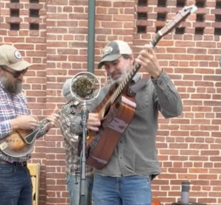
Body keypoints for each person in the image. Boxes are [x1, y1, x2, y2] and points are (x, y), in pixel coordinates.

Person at [70, 40, 183, 205]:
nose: (111, 70)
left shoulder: (150, 87)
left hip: (136, 176)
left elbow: (174, 110)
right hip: (104, 176)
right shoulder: (101, 95)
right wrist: (84, 121)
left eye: (115, 63)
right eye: (107, 66)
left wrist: (158, 74)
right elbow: (73, 123)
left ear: (131, 58)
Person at [0, 44, 59, 205]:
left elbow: (23, 136)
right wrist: (14, 123)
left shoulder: (19, 95)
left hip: (23, 169)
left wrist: (44, 127)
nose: (21, 77)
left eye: (23, 72)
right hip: (0, 170)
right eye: (17, 73)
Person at [58, 78, 94, 205]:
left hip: (96, 171)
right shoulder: (65, 114)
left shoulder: (91, 109)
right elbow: (77, 143)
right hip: (77, 173)